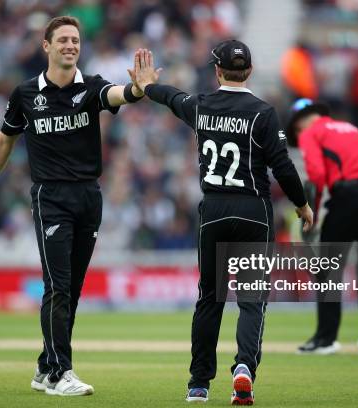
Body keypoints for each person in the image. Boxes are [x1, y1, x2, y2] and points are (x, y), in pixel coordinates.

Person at [132, 43, 314, 404]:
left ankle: (198, 384)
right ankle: (244, 368)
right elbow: (283, 166)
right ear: (248, 71)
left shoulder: (202, 106)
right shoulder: (263, 113)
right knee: (252, 300)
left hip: (213, 210)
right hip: (253, 212)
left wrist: (147, 85)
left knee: (209, 300)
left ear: (217, 72)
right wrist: (303, 204)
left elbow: (172, 97)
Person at [0, 16, 145, 396]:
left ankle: (44, 366)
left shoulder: (91, 86)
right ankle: (59, 374)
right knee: (59, 287)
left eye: (75, 40)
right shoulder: (25, 94)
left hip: (89, 197)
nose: (71, 45)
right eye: (63, 39)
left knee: (73, 289)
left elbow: (117, 95)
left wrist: (136, 89)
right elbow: (4, 141)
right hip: (50, 197)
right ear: (46, 46)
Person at [285, 98, 358, 355]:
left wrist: (313, 210)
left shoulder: (311, 133)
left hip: (349, 197)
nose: (299, 137)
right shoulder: (350, 128)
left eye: (297, 131)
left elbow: (317, 175)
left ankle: (326, 338)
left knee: (327, 267)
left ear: (301, 123)